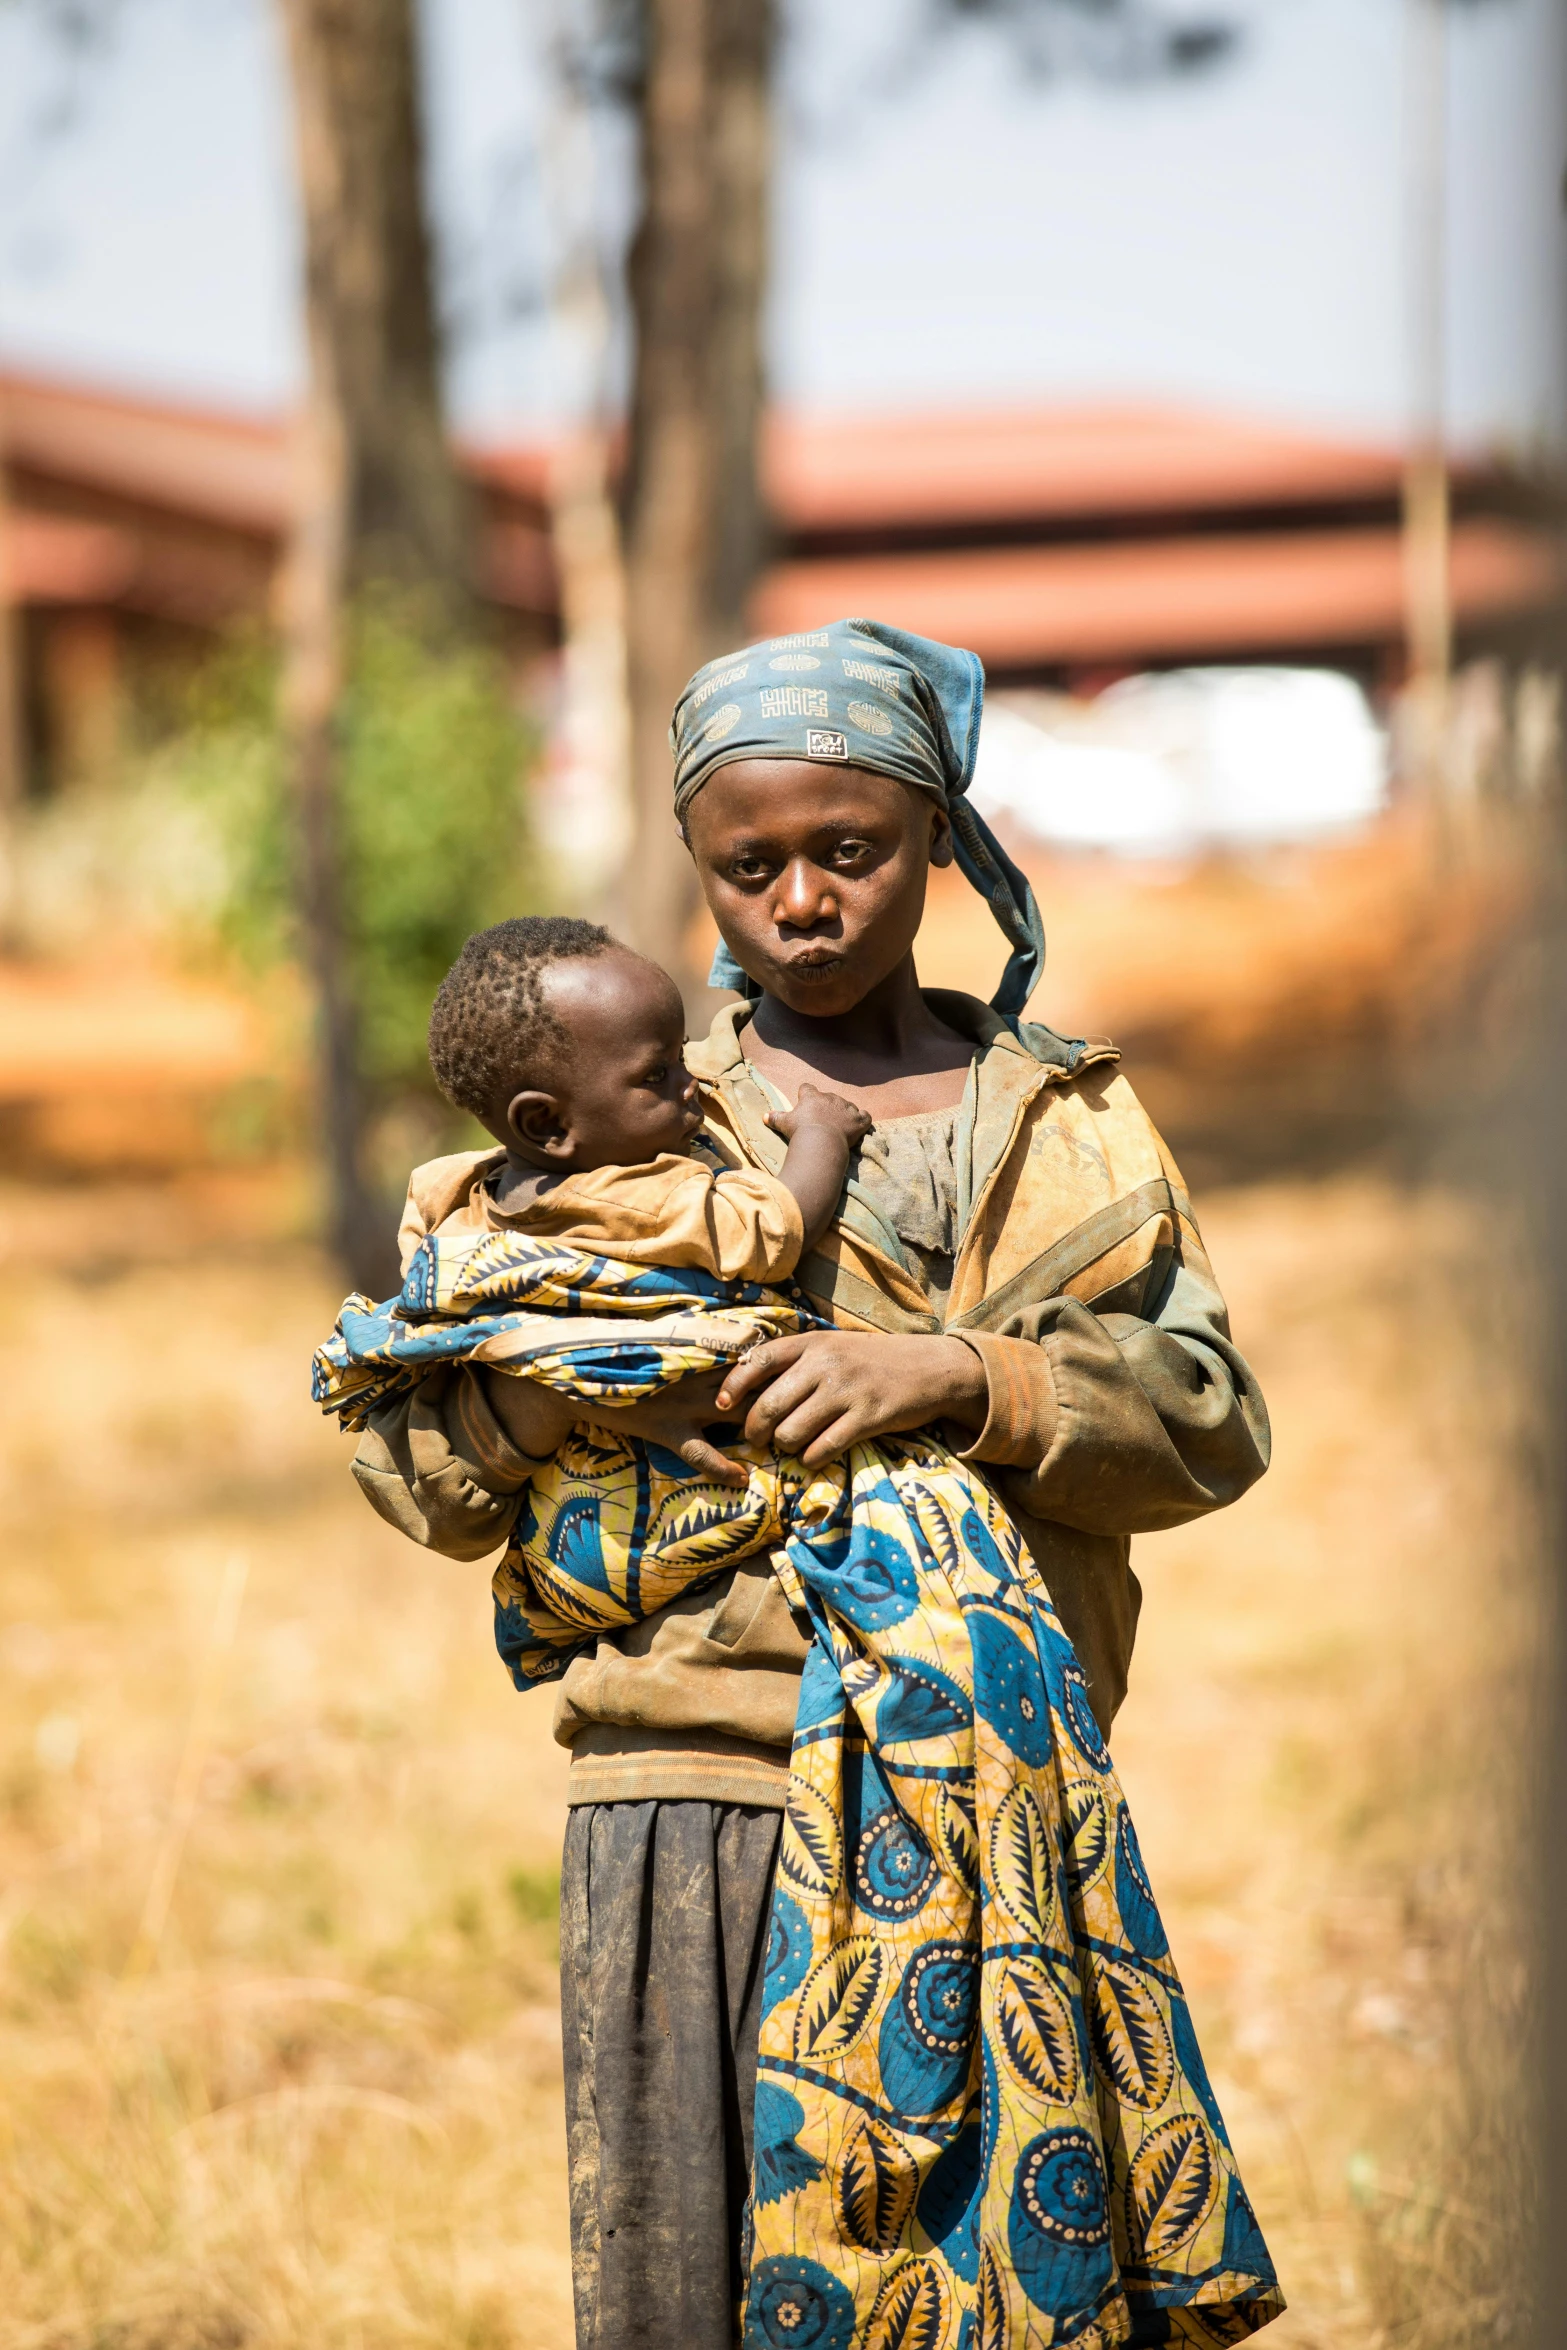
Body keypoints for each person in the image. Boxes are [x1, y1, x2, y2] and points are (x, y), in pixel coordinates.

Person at [349, 619, 1273, 2350]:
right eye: (747, 863)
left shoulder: (1064, 1114)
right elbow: (413, 1463)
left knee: (999, 2286)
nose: (801, 902)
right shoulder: (621, 1115)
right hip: (703, 1795)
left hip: (999, 1804)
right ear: (695, 867)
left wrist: (960, 1377)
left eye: (851, 851)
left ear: (942, 838)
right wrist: (568, 1393)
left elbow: (1210, 1414)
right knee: (700, 2282)